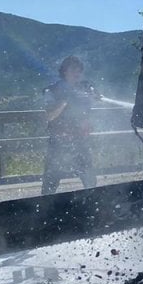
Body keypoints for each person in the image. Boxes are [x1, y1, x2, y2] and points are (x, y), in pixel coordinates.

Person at [41, 56, 101, 194]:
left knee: (90, 180)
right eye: (73, 69)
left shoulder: (84, 89)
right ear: (64, 71)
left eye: (79, 70)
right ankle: (44, 209)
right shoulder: (52, 90)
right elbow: (49, 116)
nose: (77, 73)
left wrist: (95, 96)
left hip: (80, 141)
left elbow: (94, 103)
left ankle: (92, 207)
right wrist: (65, 99)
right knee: (51, 181)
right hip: (58, 141)